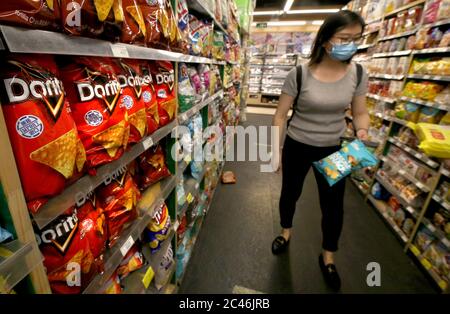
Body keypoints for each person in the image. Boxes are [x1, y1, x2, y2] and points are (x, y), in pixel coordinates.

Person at [271, 10, 370, 291]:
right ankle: (285, 232)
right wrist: (275, 151)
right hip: (298, 144)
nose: (350, 44)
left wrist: (362, 131)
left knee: (333, 205)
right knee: (290, 193)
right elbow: (280, 116)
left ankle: (328, 257)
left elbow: (360, 112)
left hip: (335, 148)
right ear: (326, 40)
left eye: (356, 39)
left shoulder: (359, 73)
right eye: (344, 38)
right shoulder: (299, 74)